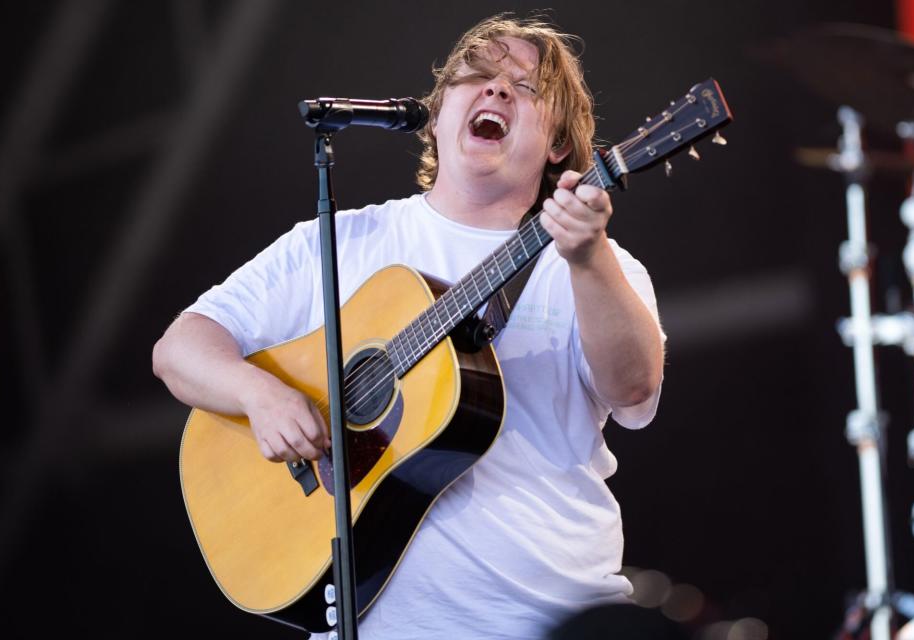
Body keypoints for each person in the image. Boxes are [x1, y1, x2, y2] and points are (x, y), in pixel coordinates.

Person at [152, 14, 665, 640]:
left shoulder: (596, 264)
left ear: (559, 144)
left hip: (542, 617)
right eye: (477, 75)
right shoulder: (339, 242)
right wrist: (260, 395)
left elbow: (633, 391)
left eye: (525, 87)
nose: (497, 90)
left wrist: (588, 257)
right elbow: (180, 349)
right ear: (439, 110)